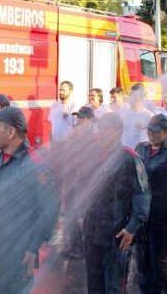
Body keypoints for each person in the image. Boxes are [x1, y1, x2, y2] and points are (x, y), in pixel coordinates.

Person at [0, 106, 59, 294]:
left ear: (11, 132)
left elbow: (50, 209)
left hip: (15, 254)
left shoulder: (34, 163)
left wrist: (32, 248)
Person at [83, 113, 150, 294]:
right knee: (94, 284)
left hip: (116, 235)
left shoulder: (131, 158)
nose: (100, 133)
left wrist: (132, 227)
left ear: (118, 131)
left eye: (106, 129)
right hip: (92, 233)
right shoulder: (92, 155)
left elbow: (142, 195)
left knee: (113, 286)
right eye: (99, 129)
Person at [136, 114, 167, 294]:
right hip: (142, 213)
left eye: (156, 131)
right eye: (149, 130)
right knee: (142, 257)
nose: (151, 134)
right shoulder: (141, 148)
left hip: (160, 214)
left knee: (157, 258)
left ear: (165, 132)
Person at [62, 106, 97, 259]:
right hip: (71, 179)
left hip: (83, 181)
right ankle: (73, 244)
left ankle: (82, 247)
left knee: (80, 215)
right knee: (70, 214)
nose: (79, 120)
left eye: (83, 117)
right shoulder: (74, 135)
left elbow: (91, 163)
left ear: (90, 120)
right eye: (78, 117)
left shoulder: (94, 138)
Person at [122, 84, 154, 149]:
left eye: (134, 96)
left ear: (141, 97)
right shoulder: (124, 112)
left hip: (139, 154)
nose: (131, 98)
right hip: (125, 151)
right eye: (130, 95)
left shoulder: (148, 116)